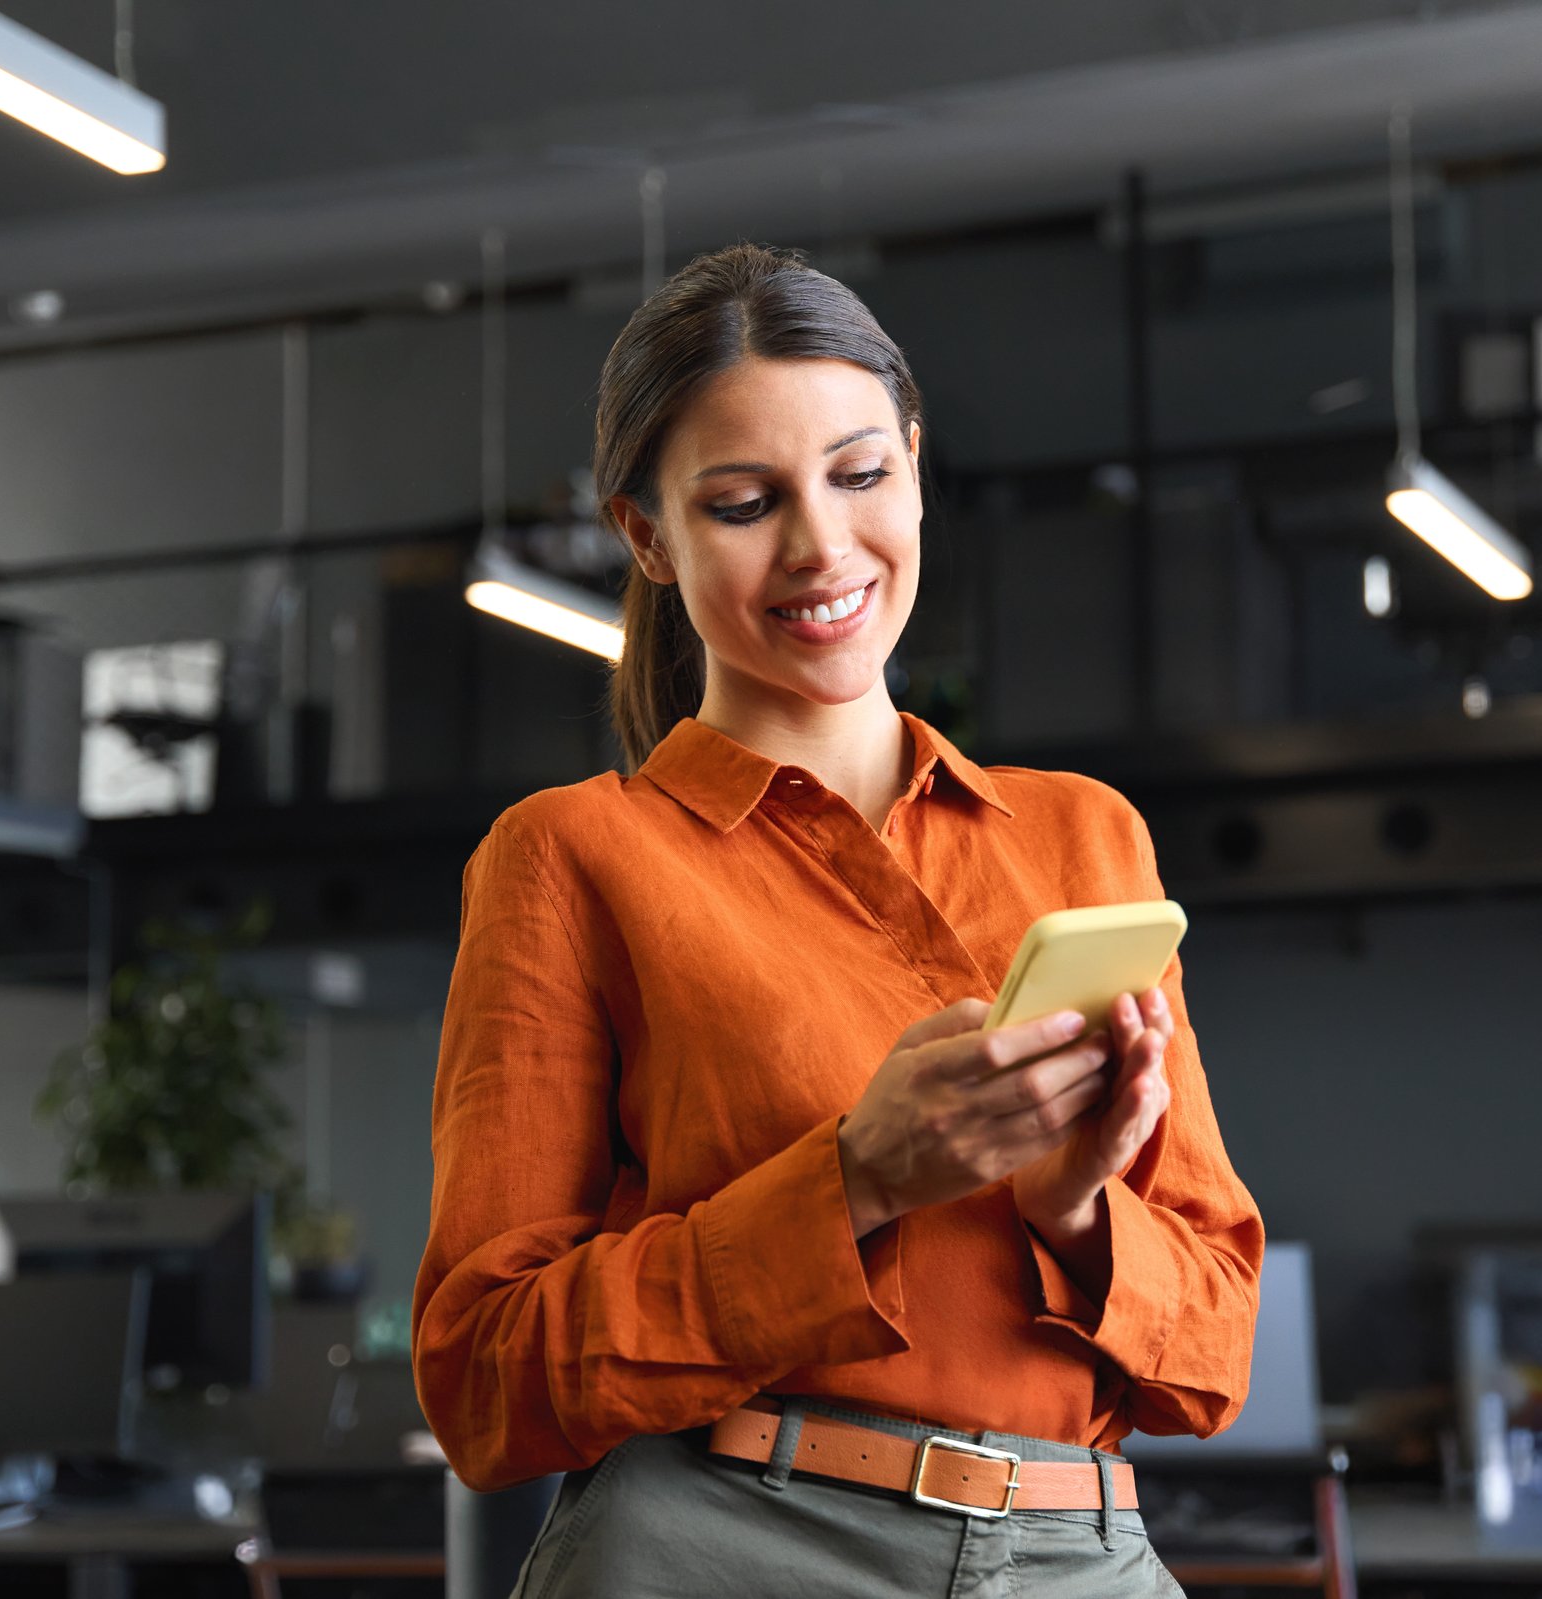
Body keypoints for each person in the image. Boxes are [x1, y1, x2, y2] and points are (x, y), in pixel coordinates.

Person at [411, 242, 1264, 1598]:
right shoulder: (572, 857)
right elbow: (484, 1381)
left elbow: (1215, 1353)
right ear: (646, 535)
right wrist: (857, 1180)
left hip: (1076, 1550)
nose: (821, 545)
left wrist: (1072, 1204)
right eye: (745, 503)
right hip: (726, 1544)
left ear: (915, 467)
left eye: (861, 475)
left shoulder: (1085, 835)